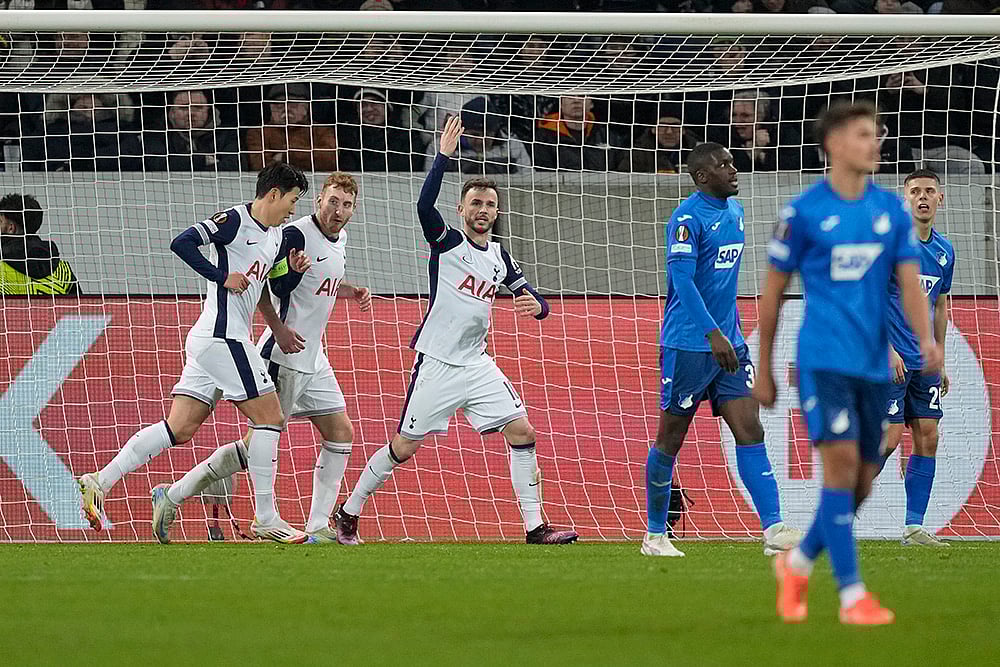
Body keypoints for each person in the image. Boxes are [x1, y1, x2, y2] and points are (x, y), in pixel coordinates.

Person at [332, 116, 578, 545]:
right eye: (475, 203)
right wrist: (443, 157)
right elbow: (424, 207)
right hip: (439, 363)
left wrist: (536, 306)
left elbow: (538, 301)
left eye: (490, 205)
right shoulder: (447, 243)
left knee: (523, 432)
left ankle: (536, 528)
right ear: (462, 210)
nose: (483, 210)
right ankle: (348, 512)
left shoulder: (500, 256)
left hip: (477, 364)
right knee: (404, 447)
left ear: (497, 213)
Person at [755, 101, 942, 625]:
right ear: (834, 143)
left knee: (860, 481)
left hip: (874, 367)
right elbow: (771, 295)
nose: (875, 143)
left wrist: (927, 341)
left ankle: (796, 561)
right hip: (824, 361)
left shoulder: (889, 211)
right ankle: (852, 595)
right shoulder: (803, 213)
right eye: (864, 134)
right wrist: (766, 366)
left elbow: (909, 282)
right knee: (839, 472)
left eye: (877, 134)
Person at [77, 163, 312, 543]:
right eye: (291, 200)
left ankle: (98, 481)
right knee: (270, 417)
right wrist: (221, 277)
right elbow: (182, 242)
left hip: (214, 340)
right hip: (223, 337)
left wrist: (283, 314)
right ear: (273, 194)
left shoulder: (276, 237)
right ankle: (266, 517)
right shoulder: (234, 220)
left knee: (179, 428)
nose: (292, 209)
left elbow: (263, 289)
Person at [150, 172, 372, 545]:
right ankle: (175, 494)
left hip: (314, 357)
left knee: (341, 432)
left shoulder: (341, 238)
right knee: (257, 440)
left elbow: (321, 283)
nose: (338, 210)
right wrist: (280, 326)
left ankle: (319, 525)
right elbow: (271, 284)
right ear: (319, 200)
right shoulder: (294, 234)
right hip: (283, 352)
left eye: (346, 204)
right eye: (332, 201)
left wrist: (351, 291)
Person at [644, 141, 800, 558]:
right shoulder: (686, 219)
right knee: (670, 439)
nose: (734, 170)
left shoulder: (736, 211)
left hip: (729, 346)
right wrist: (713, 334)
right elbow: (683, 282)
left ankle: (774, 530)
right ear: (701, 177)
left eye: (732, 162)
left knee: (750, 430)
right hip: (689, 346)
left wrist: (728, 335)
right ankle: (655, 535)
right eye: (724, 165)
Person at [878, 169, 954, 547]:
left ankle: (914, 527)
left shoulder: (944, 251)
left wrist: (938, 353)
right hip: (890, 356)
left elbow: (939, 305)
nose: (922, 197)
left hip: (923, 362)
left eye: (929, 191)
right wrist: (886, 349)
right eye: (915, 191)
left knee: (929, 435)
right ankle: (839, 507)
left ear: (941, 199)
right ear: (904, 198)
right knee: (888, 439)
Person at [422, 97, 531, 174]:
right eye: (475, 134)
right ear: (462, 131)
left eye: (487, 135)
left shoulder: (513, 146)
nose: (480, 140)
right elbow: (430, 179)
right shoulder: (441, 146)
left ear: (496, 131)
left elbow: (528, 178)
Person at [245, 83, 337, 172]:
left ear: (306, 107)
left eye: (292, 104)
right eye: (279, 104)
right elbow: (259, 164)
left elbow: (330, 159)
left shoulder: (322, 130)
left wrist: (285, 156)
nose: (286, 109)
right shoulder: (258, 132)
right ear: (271, 108)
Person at [0, 193, 79, 296]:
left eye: (0, 221)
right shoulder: (63, 270)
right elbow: (79, 309)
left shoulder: (1, 268)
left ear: (11, 228)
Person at [144, 89, 241, 172]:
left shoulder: (227, 134)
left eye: (198, 107)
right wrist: (201, 160)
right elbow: (153, 164)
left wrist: (181, 164)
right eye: (184, 108)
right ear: (172, 112)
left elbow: (235, 165)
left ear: (209, 110)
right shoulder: (156, 133)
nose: (190, 113)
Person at [337, 88, 419, 172]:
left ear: (387, 107)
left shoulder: (408, 137)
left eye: (374, 103)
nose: (369, 109)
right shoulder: (349, 138)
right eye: (363, 105)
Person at [533, 95, 611, 171]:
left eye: (582, 96)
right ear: (561, 104)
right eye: (570, 96)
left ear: (591, 103)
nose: (576, 100)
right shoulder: (544, 138)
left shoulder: (607, 135)